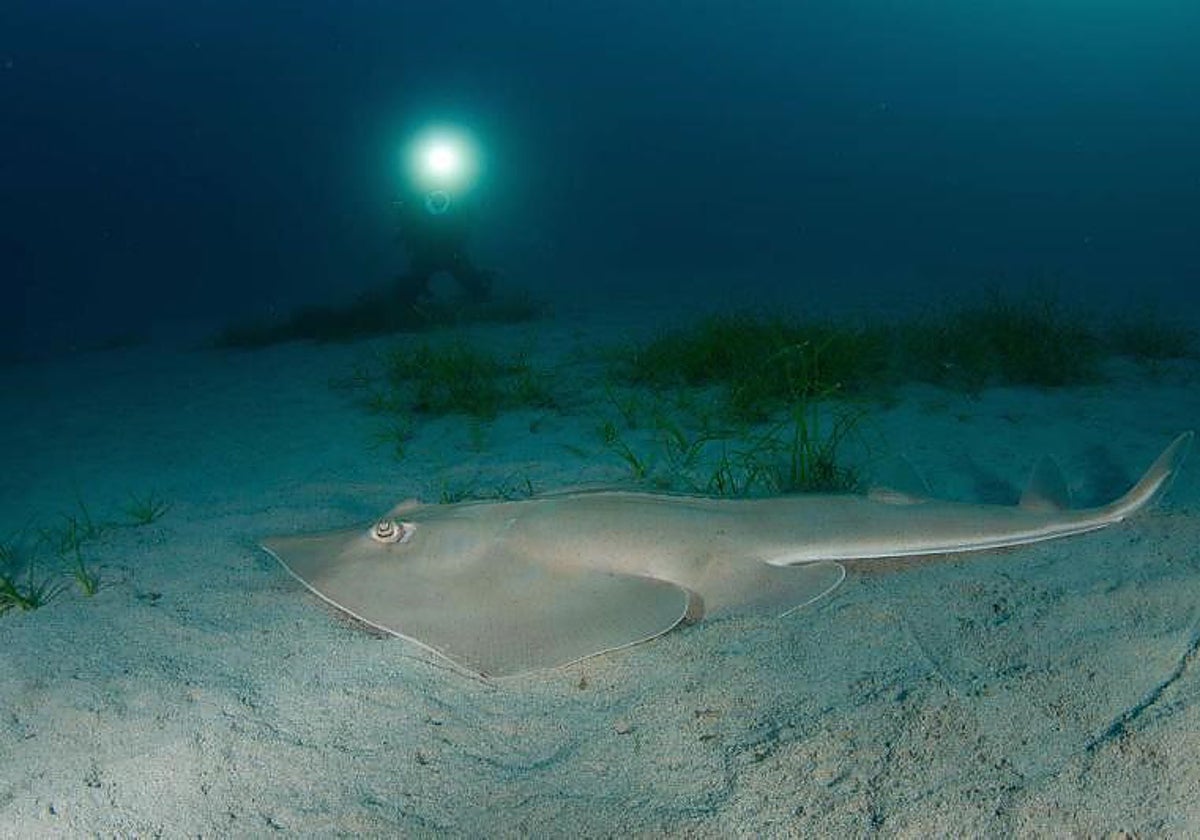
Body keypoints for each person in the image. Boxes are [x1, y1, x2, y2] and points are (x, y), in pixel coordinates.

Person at [393, 186, 494, 308]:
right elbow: (406, 221)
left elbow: (467, 219)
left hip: (449, 252)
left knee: (474, 284)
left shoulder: (458, 202)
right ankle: (405, 301)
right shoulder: (415, 202)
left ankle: (482, 292)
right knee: (410, 287)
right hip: (429, 252)